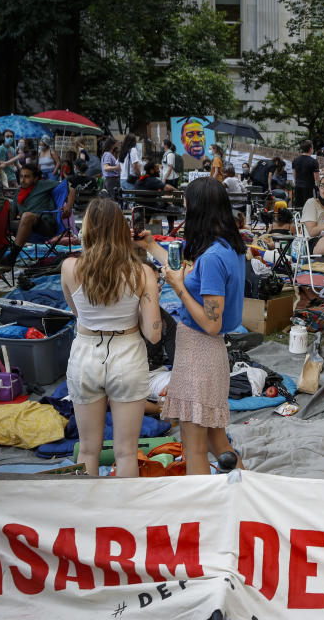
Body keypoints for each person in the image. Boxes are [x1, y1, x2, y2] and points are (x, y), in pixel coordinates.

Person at [136, 177, 246, 475]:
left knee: (193, 444)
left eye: (185, 203)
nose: (182, 208)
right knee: (215, 437)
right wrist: (150, 245)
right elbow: (180, 268)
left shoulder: (211, 258)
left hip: (200, 351)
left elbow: (212, 323)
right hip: (204, 353)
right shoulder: (226, 246)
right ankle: (246, 491)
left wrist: (179, 288)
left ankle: (202, 509)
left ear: (198, 209)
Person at [60, 198, 161, 477]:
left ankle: (90, 518)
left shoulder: (70, 267)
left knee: (88, 450)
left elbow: (77, 312)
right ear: (122, 229)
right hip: (127, 354)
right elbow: (154, 334)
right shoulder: (143, 273)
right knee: (127, 452)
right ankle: (126, 518)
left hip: (86, 354)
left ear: (87, 229)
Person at [0, 165, 76, 267]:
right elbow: (11, 217)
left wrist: (68, 206)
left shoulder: (42, 184)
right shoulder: (18, 194)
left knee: (26, 216)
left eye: (27, 177)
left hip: (46, 226)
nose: (23, 180)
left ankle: (11, 258)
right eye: (21, 176)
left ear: (35, 178)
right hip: (26, 229)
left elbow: (71, 188)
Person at [292, 140, 320, 207]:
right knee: (309, 207)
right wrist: (319, 187)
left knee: (298, 207)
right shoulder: (313, 161)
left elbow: (294, 175)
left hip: (298, 187)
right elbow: (317, 178)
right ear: (310, 148)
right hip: (309, 188)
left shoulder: (295, 160)